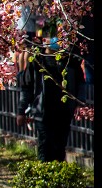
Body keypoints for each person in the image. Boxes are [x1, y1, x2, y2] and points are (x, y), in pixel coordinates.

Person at [16, 24, 82, 163]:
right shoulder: (37, 61)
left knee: (59, 147)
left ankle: (59, 179)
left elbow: (79, 84)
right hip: (43, 112)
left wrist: (78, 103)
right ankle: (46, 177)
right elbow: (27, 87)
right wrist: (21, 110)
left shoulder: (70, 62)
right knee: (45, 147)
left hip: (63, 112)